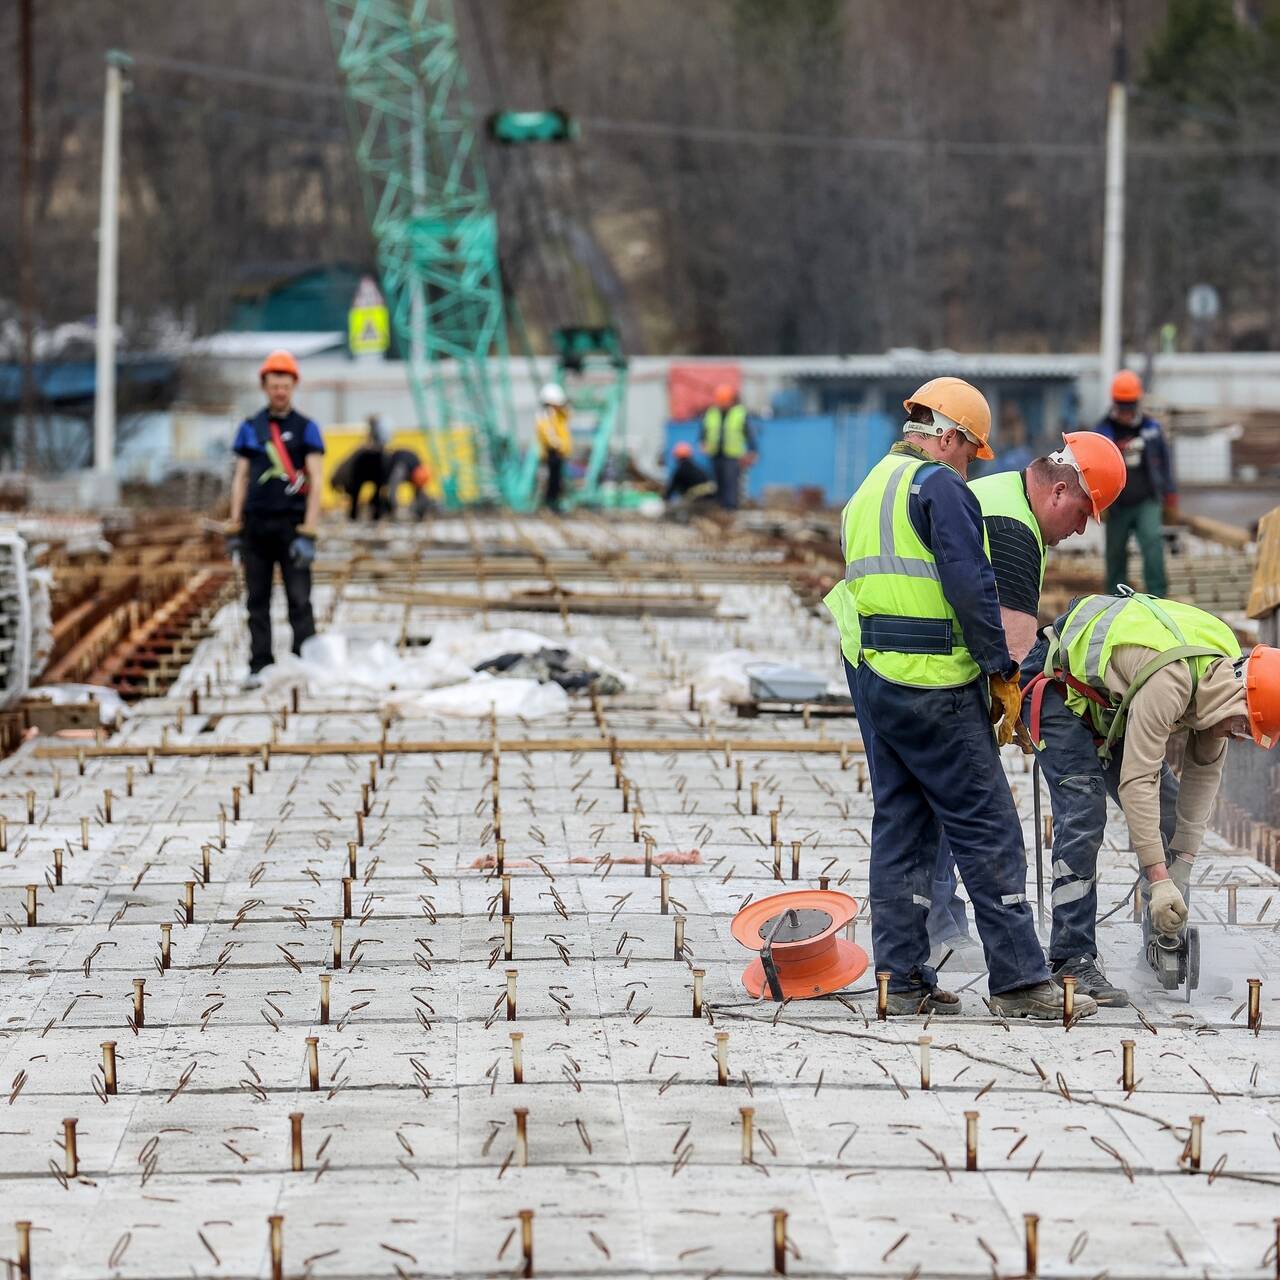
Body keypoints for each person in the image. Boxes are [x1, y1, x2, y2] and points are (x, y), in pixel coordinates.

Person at [823, 376, 1094, 1020]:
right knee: (989, 829)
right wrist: (1002, 670)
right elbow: (971, 587)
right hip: (937, 687)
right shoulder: (937, 485)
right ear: (949, 436)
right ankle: (1021, 980)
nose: (968, 467)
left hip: (877, 682)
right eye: (970, 452)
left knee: (902, 828)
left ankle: (902, 978)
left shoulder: (868, 489)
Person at [926, 432, 1128, 965]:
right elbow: (1016, 645)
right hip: (936, 670)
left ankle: (936, 926)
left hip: (910, 663)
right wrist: (1029, 705)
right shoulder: (1015, 528)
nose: (1082, 527)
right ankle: (949, 934)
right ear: (1059, 492)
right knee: (974, 808)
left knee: (936, 800)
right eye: (1084, 512)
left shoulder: (1002, 495)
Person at [1023, 592, 1280, 997]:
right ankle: (1070, 959)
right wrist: (1160, 880)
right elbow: (1138, 781)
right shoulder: (1173, 682)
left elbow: (1202, 781)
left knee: (1170, 817)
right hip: (1058, 687)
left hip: (1114, 703)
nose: (1242, 737)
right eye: (1245, 727)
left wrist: (1183, 866)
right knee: (1084, 810)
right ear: (1239, 697)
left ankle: (1163, 941)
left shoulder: (1220, 683)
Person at [225, 350, 324, 689]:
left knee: (299, 599)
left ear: (293, 386)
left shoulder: (306, 429)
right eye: (274, 385)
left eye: (285, 385)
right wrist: (234, 525)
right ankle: (260, 664)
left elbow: (317, 481)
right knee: (257, 600)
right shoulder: (250, 430)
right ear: (264, 387)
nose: (280, 391)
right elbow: (240, 478)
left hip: (291, 527)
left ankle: (305, 661)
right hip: (256, 527)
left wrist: (309, 532)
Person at [1094, 370, 1176, 597]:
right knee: (1115, 554)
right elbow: (1093, 467)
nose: (1126, 412)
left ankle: (1158, 598)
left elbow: (1166, 463)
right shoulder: (1102, 431)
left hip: (1146, 501)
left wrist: (1170, 495)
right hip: (1117, 504)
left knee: (1152, 548)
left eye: (1130, 406)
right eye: (1122, 406)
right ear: (1115, 404)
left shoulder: (1151, 429)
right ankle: (1115, 600)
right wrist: (1097, 501)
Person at [701, 384, 758, 512]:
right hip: (715, 454)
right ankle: (719, 509)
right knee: (717, 483)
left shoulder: (740, 414)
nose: (721, 404)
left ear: (731, 400)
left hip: (732, 456)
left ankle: (730, 510)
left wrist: (752, 451)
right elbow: (704, 430)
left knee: (730, 483)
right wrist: (703, 442)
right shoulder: (711, 413)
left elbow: (750, 434)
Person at [535, 383, 572, 512]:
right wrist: (557, 445)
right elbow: (547, 432)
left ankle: (554, 502)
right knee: (552, 480)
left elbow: (568, 416)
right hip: (552, 452)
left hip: (559, 452)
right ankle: (550, 504)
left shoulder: (558, 414)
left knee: (557, 480)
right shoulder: (545, 415)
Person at [664, 441, 716, 516]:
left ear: (677, 457)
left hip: (699, 500)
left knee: (675, 510)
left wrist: (664, 500)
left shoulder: (680, 470)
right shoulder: (695, 466)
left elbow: (672, 487)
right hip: (711, 498)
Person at [383, 446, 432, 520]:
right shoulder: (400, 470)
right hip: (395, 467)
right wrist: (395, 507)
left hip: (408, 468)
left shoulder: (419, 470)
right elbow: (392, 490)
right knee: (389, 492)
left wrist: (415, 510)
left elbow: (420, 491)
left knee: (420, 495)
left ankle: (419, 512)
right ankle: (388, 511)